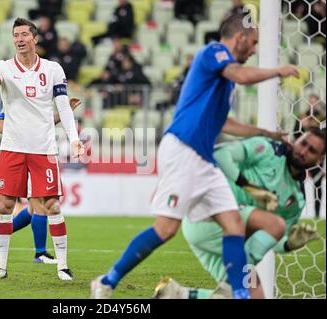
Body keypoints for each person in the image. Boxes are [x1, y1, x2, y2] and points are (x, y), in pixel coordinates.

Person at [90, 13, 300, 299]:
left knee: (233, 223)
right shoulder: (213, 53)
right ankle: (106, 280)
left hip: (203, 160)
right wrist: (278, 71)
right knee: (166, 229)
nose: (253, 50)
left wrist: (265, 132)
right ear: (239, 38)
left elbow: (225, 124)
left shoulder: (226, 81)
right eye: (253, 44)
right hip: (184, 149)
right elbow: (240, 74)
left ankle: (240, 294)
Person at [154, 127, 325, 299]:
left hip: (229, 246)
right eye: (303, 143)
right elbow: (219, 154)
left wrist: (288, 244)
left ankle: (177, 294)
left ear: (320, 158)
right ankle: (231, 285)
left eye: (312, 150)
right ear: (296, 139)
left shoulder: (296, 199)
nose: (303, 151)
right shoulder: (267, 150)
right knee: (274, 223)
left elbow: (273, 239)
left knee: (251, 297)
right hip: (208, 219)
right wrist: (251, 188)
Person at [0, 18, 84, 281]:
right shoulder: (4, 68)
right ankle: (0, 267)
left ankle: (62, 266)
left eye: (25, 34)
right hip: (12, 148)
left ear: (35, 39)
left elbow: (62, 107)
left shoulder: (52, 70)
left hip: (43, 149)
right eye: (16, 35)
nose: (19, 38)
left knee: (51, 205)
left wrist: (74, 139)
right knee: (4, 206)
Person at [0, 98, 82, 264]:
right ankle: (40, 252)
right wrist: (28, 131)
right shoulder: (14, 101)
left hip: (38, 154)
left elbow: (44, 124)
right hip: (22, 155)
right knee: (40, 205)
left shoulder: (35, 101)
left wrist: (65, 112)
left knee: (34, 207)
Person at [293, 94, 326, 218]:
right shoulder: (301, 116)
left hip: (315, 156)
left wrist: (311, 128)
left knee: (317, 183)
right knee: (299, 182)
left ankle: (317, 213)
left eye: (315, 101)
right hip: (302, 155)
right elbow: (296, 136)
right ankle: (299, 211)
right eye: (310, 101)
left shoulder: (323, 118)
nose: (312, 104)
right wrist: (302, 126)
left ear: (318, 103)